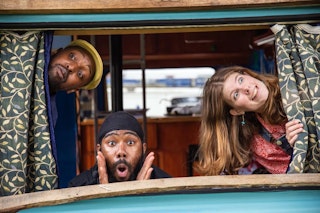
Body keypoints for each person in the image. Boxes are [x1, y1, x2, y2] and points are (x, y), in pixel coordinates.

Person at [196, 66, 304, 175]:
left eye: (240, 80)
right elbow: (293, 179)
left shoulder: (297, 85)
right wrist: (299, 148)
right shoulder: (258, 144)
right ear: (237, 111)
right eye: (236, 94)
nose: (246, 88)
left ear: (247, 74)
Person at [68, 111, 171, 186]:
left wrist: (141, 196)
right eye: (112, 143)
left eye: (130, 142)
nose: (121, 152)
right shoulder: (79, 188)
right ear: (99, 150)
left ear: (143, 149)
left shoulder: (165, 185)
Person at [48, 39, 103, 126]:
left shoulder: (48, 117)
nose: (72, 67)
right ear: (57, 51)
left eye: (80, 74)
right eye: (72, 56)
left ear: (73, 90)